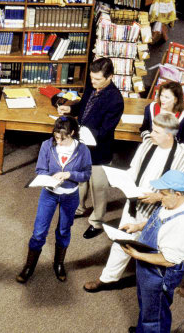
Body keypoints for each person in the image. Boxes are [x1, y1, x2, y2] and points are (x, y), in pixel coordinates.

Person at [84, 113, 184, 293]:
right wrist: (122, 181)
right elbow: (134, 169)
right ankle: (107, 279)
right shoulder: (148, 144)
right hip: (135, 204)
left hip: (160, 210)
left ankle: (156, 283)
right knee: (122, 240)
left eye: (156, 132)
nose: (150, 134)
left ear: (169, 135)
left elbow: (182, 192)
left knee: (155, 249)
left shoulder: (183, 158)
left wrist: (157, 197)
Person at [121, 170, 184, 333]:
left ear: (177, 194)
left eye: (163, 194)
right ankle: (142, 329)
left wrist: (137, 255)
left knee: (155, 315)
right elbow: (156, 219)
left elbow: (169, 260)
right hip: (147, 266)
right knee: (147, 305)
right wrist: (137, 226)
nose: (159, 197)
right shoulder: (171, 203)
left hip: (159, 273)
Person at [16, 116, 92, 284]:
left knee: (64, 231)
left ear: (72, 133)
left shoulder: (83, 150)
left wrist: (69, 175)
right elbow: (40, 169)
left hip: (70, 195)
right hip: (49, 193)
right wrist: (49, 178)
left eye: (62, 138)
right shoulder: (47, 145)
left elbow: (86, 174)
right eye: (56, 137)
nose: (58, 141)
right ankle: (29, 267)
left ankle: (59, 264)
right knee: (39, 232)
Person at [57, 57, 124, 239]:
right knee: (80, 181)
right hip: (83, 144)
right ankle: (79, 208)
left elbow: (105, 131)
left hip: (99, 150)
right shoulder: (93, 84)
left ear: (110, 76)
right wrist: (70, 110)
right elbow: (84, 105)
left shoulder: (116, 100)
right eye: (92, 78)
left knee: (98, 187)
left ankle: (97, 222)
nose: (93, 82)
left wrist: (80, 132)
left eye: (97, 79)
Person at [140, 81, 184, 151]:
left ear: (175, 100)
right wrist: (149, 142)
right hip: (150, 148)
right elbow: (144, 129)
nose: (162, 99)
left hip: (173, 154)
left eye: (167, 97)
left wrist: (172, 153)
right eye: (161, 95)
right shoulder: (150, 108)